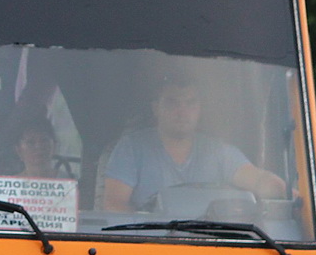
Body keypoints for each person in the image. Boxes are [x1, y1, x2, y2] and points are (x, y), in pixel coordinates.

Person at [101, 74, 286, 212]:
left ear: (200, 109)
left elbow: (257, 179)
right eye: (172, 103)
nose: (182, 111)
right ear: (156, 108)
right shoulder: (131, 148)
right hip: (150, 248)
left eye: (190, 103)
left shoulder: (218, 152)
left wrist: (281, 190)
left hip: (208, 247)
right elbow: (114, 204)